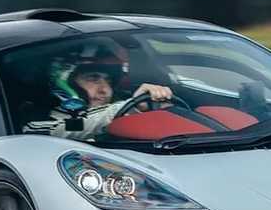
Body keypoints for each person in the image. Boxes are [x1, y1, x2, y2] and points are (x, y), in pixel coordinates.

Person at [41, 42, 173, 141]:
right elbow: (68, 128)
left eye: (108, 81)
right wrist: (129, 107)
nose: (105, 90)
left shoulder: (110, 112)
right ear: (65, 81)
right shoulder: (38, 121)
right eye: (93, 78)